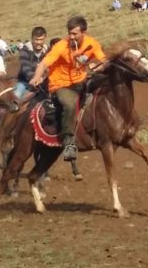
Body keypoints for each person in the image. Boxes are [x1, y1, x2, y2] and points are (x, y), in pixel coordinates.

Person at [29, 15, 107, 162]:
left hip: (81, 81)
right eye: (69, 33)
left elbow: (104, 61)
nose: (71, 37)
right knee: (70, 104)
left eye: (74, 34)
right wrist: (36, 76)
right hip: (61, 84)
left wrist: (95, 67)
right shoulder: (61, 46)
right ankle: (68, 142)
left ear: (83, 32)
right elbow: (44, 63)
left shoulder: (92, 43)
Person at [15, 26, 48, 100]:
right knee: (16, 97)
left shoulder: (47, 51)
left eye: (41, 39)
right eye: (36, 40)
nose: (39, 42)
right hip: (25, 81)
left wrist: (42, 78)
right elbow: (25, 67)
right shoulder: (25, 50)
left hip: (42, 81)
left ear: (45, 38)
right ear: (32, 39)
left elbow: (49, 67)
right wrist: (34, 78)